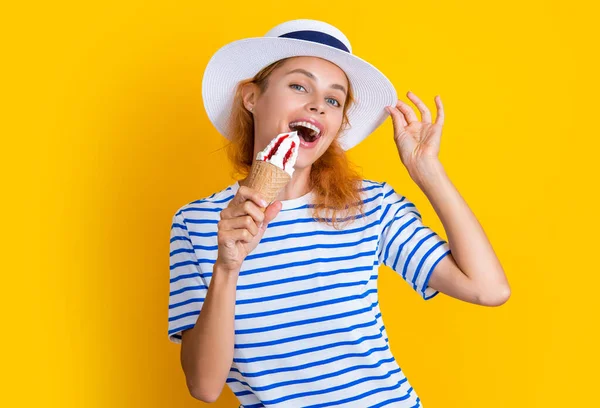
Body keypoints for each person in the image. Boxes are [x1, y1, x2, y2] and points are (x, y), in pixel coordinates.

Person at [168, 19, 510, 407]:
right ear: (251, 97)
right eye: (299, 86)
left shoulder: (370, 206)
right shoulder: (198, 224)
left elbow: (489, 289)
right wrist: (227, 267)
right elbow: (204, 386)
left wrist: (427, 172)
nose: (317, 104)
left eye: (334, 99)